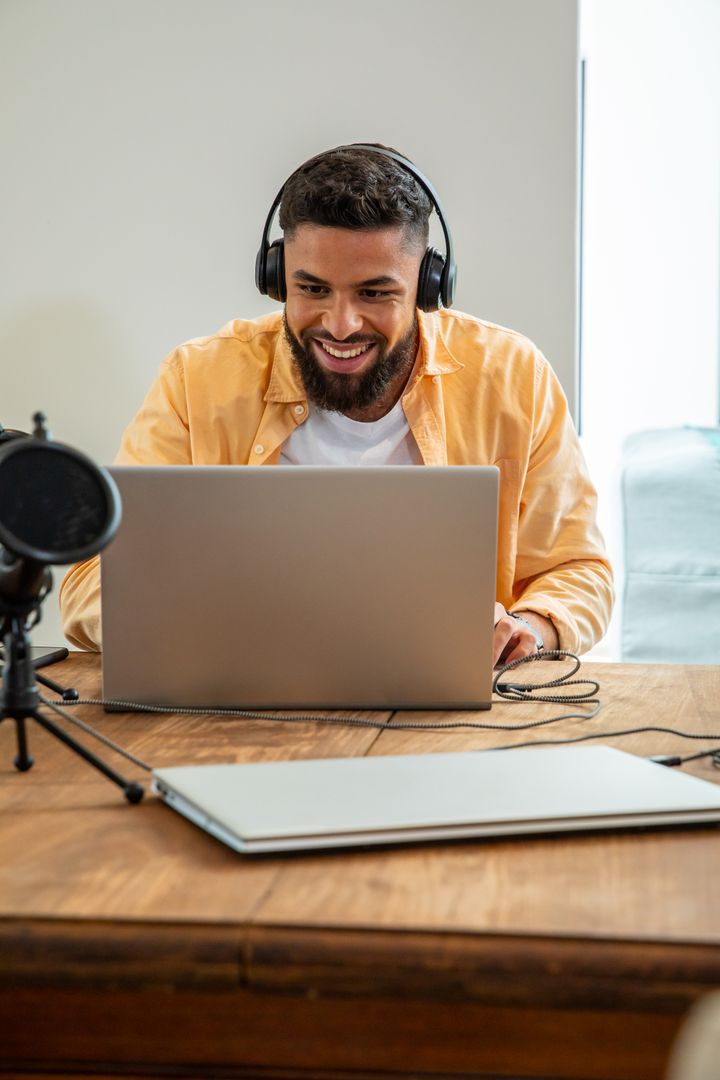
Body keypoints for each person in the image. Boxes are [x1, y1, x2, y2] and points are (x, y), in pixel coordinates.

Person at [60, 143, 613, 663]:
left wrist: (531, 629)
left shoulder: (513, 376)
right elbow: (91, 580)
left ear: (427, 288)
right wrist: (211, 622)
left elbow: (579, 568)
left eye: (374, 293)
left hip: (443, 715)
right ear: (277, 278)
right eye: (313, 289)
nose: (340, 325)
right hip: (241, 703)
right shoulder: (196, 379)